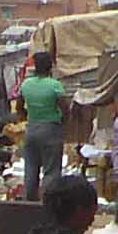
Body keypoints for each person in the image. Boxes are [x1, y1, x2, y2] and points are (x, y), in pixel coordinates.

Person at [18, 50, 70, 193]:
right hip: (51, 129)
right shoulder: (55, 85)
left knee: (31, 168)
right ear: (50, 66)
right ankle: (48, 201)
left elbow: (19, 107)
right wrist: (62, 123)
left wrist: (28, 117)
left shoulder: (26, 84)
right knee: (51, 170)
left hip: (32, 129)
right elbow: (65, 108)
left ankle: (29, 203)